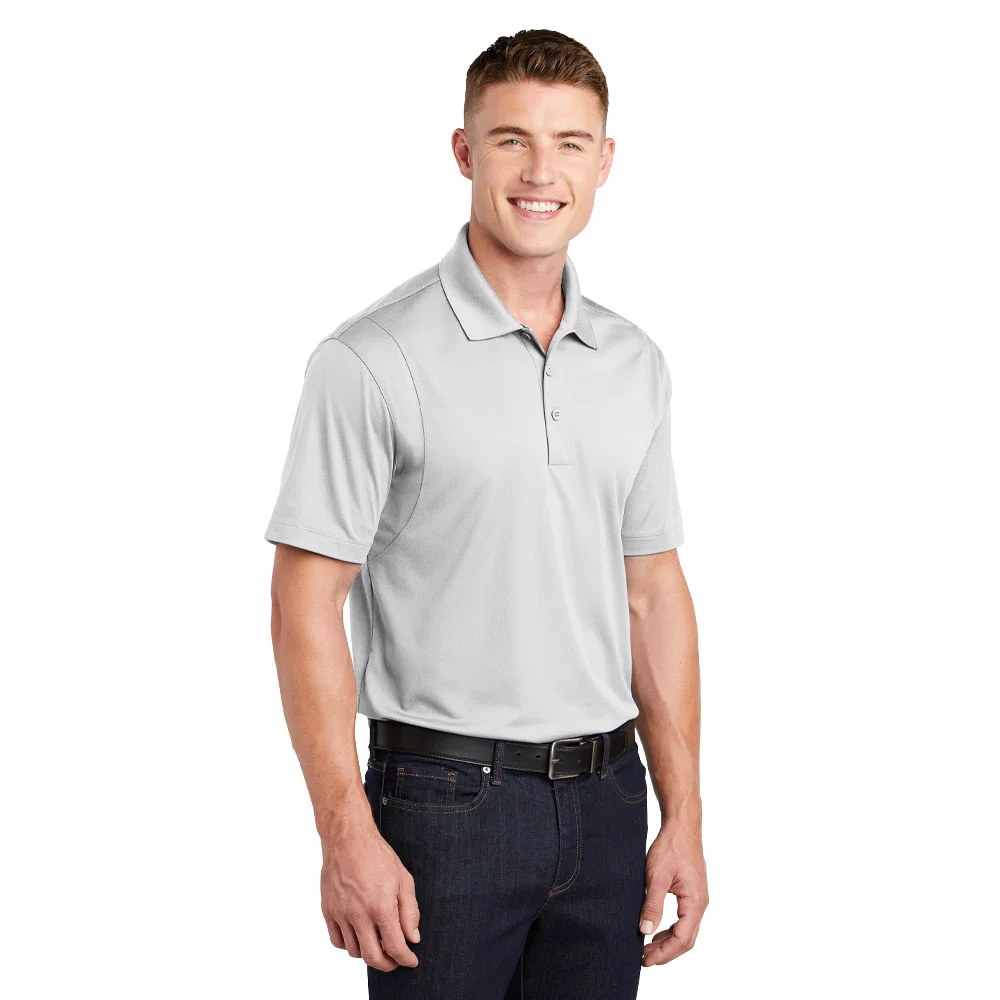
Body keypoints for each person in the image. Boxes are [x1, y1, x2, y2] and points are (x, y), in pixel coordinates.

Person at [264, 28, 707, 999]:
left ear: (604, 161)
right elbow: (305, 601)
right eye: (512, 140)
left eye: (569, 143)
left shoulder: (634, 364)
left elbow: (651, 593)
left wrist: (684, 812)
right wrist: (343, 830)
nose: (541, 172)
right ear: (465, 153)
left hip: (608, 805)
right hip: (443, 809)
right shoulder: (370, 360)